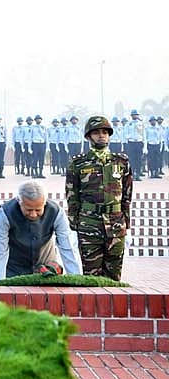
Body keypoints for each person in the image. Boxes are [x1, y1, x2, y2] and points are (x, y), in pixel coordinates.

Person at [66, 116, 133, 281]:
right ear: (88, 136)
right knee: (91, 278)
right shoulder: (78, 163)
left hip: (116, 224)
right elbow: (72, 197)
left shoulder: (121, 161)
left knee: (114, 277)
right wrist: (74, 228)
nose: (101, 136)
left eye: (105, 132)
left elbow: (127, 196)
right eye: (96, 133)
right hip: (89, 224)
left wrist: (127, 225)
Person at [0, 179, 81, 281]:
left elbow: (68, 247)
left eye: (38, 210)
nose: (33, 214)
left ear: (44, 203)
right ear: (20, 202)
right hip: (14, 270)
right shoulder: (4, 215)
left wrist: (76, 280)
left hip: (46, 269)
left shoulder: (56, 212)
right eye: (28, 210)